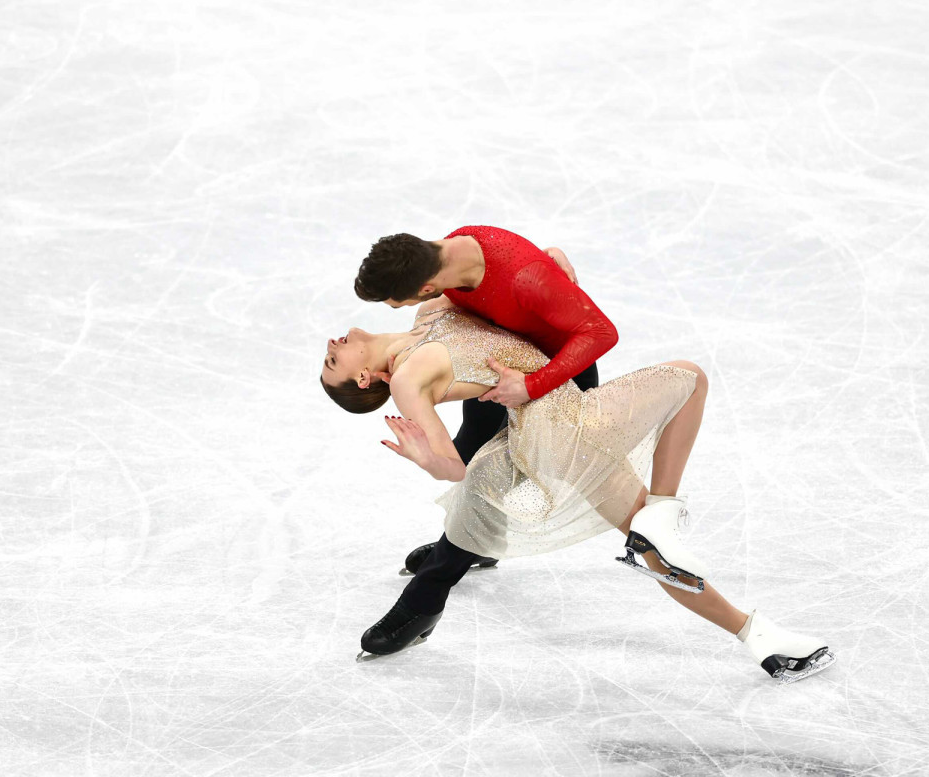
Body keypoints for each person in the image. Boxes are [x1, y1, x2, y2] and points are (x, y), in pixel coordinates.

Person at [320, 298, 836, 683]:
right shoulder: (409, 376)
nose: (330, 347)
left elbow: (545, 270)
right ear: (366, 379)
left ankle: (667, 530)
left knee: (646, 505)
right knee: (689, 383)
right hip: (569, 436)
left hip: (557, 410)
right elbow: (454, 470)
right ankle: (750, 627)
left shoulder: (428, 316)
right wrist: (423, 456)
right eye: (332, 364)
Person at [351, 226, 617, 649]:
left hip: (556, 384)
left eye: (396, 302)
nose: (395, 309)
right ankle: (477, 544)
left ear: (425, 285)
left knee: (483, 485)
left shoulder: (522, 277)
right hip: (496, 364)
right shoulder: (450, 249)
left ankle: (423, 602)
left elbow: (602, 333)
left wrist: (529, 387)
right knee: (467, 451)